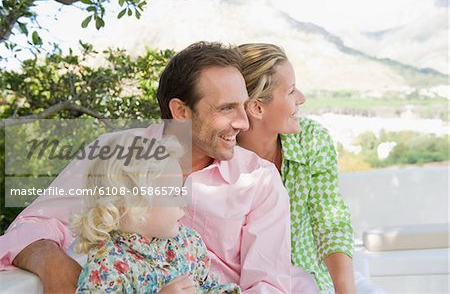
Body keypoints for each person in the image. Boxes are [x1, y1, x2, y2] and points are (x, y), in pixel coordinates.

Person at [0, 41, 294, 293]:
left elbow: (268, 285)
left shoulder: (260, 180)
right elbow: (29, 226)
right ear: (180, 111)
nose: (243, 123)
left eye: (244, 106)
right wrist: (53, 265)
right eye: (227, 108)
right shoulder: (113, 155)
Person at [235, 43, 357, 294]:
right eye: (291, 91)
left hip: (310, 280)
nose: (301, 97)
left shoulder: (311, 138)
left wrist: (345, 291)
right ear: (257, 107)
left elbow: (330, 221)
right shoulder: (222, 158)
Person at [72, 132, 240, 293]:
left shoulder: (188, 243)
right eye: (173, 194)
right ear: (134, 202)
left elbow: (207, 286)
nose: (182, 202)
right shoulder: (108, 264)